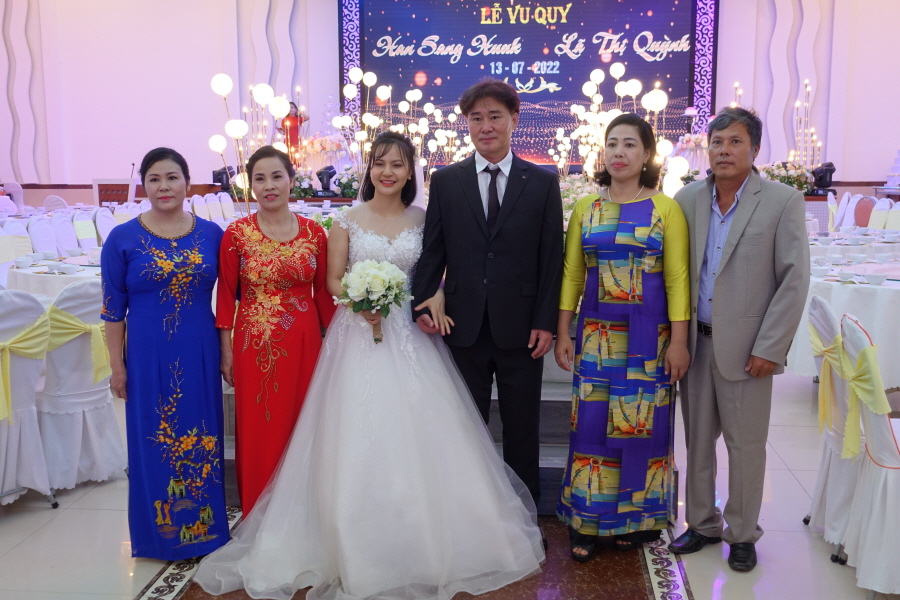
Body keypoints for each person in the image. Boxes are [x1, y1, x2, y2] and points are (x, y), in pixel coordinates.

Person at [194, 131, 544, 600]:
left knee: (423, 431)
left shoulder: (426, 218)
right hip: (358, 333)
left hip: (412, 336)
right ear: (369, 170)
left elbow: (441, 270)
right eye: (379, 163)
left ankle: (424, 537)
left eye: (397, 164)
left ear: (410, 172)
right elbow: (333, 281)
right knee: (354, 431)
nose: (387, 172)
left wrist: (437, 294)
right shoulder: (346, 220)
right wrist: (361, 299)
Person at [412, 79, 564, 516]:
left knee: (522, 429)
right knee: (466, 429)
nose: (486, 126)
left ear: (514, 119)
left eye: (495, 116)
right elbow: (433, 249)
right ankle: (471, 517)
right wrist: (422, 302)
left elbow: (551, 258)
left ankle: (525, 517)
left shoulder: (542, 181)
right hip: (462, 325)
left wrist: (545, 322)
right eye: (476, 118)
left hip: (523, 328)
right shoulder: (447, 181)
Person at [667, 107, 810, 571]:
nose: (723, 151)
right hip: (696, 344)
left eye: (734, 142)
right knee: (697, 441)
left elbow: (793, 280)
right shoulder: (687, 198)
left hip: (750, 349)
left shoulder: (781, 201)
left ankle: (743, 533)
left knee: (745, 446)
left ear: (754, 149)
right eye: (716, 142)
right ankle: (702, 524)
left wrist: (771, 347)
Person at [553, 113, 691, 561]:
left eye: (630, 144)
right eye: (612, 143)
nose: (619, 152)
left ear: (647, 154)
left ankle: (636, 520)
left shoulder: (666, 209)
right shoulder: (586, 208)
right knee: (591, 429)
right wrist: (563, 330)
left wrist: (679, 342)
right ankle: (585, 522)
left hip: (650, 340)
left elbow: (677, 279)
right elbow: (573, 274)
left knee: (641, 431)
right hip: (596, 338)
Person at [101, 147, 228, 560]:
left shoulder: (213, 234)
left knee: (202, 436)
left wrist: (227, 352)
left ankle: (205, 531)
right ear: (144, 186)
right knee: (153, 441)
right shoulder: (122, 238)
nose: (164, 186)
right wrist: (117, 366)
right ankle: (159, 536)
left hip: (199, 351)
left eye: (172, 177)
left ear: (188, 183)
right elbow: (112, 311)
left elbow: (232, 297)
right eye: (154, 179)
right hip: (146, 355)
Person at [216, 145, 335, 514]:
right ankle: (259, 512)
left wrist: (336, 346)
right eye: (260, 178)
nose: (269, 185)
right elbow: (226, 298)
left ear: (291, 180)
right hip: (254, 344)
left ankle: (302, 514)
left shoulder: (315, 233)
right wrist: (225, 350)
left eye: (276, 176)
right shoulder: (236, 234)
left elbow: (324, 295)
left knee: (304, 423)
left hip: (305, 343)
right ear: (250, 186)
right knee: (260, 428)